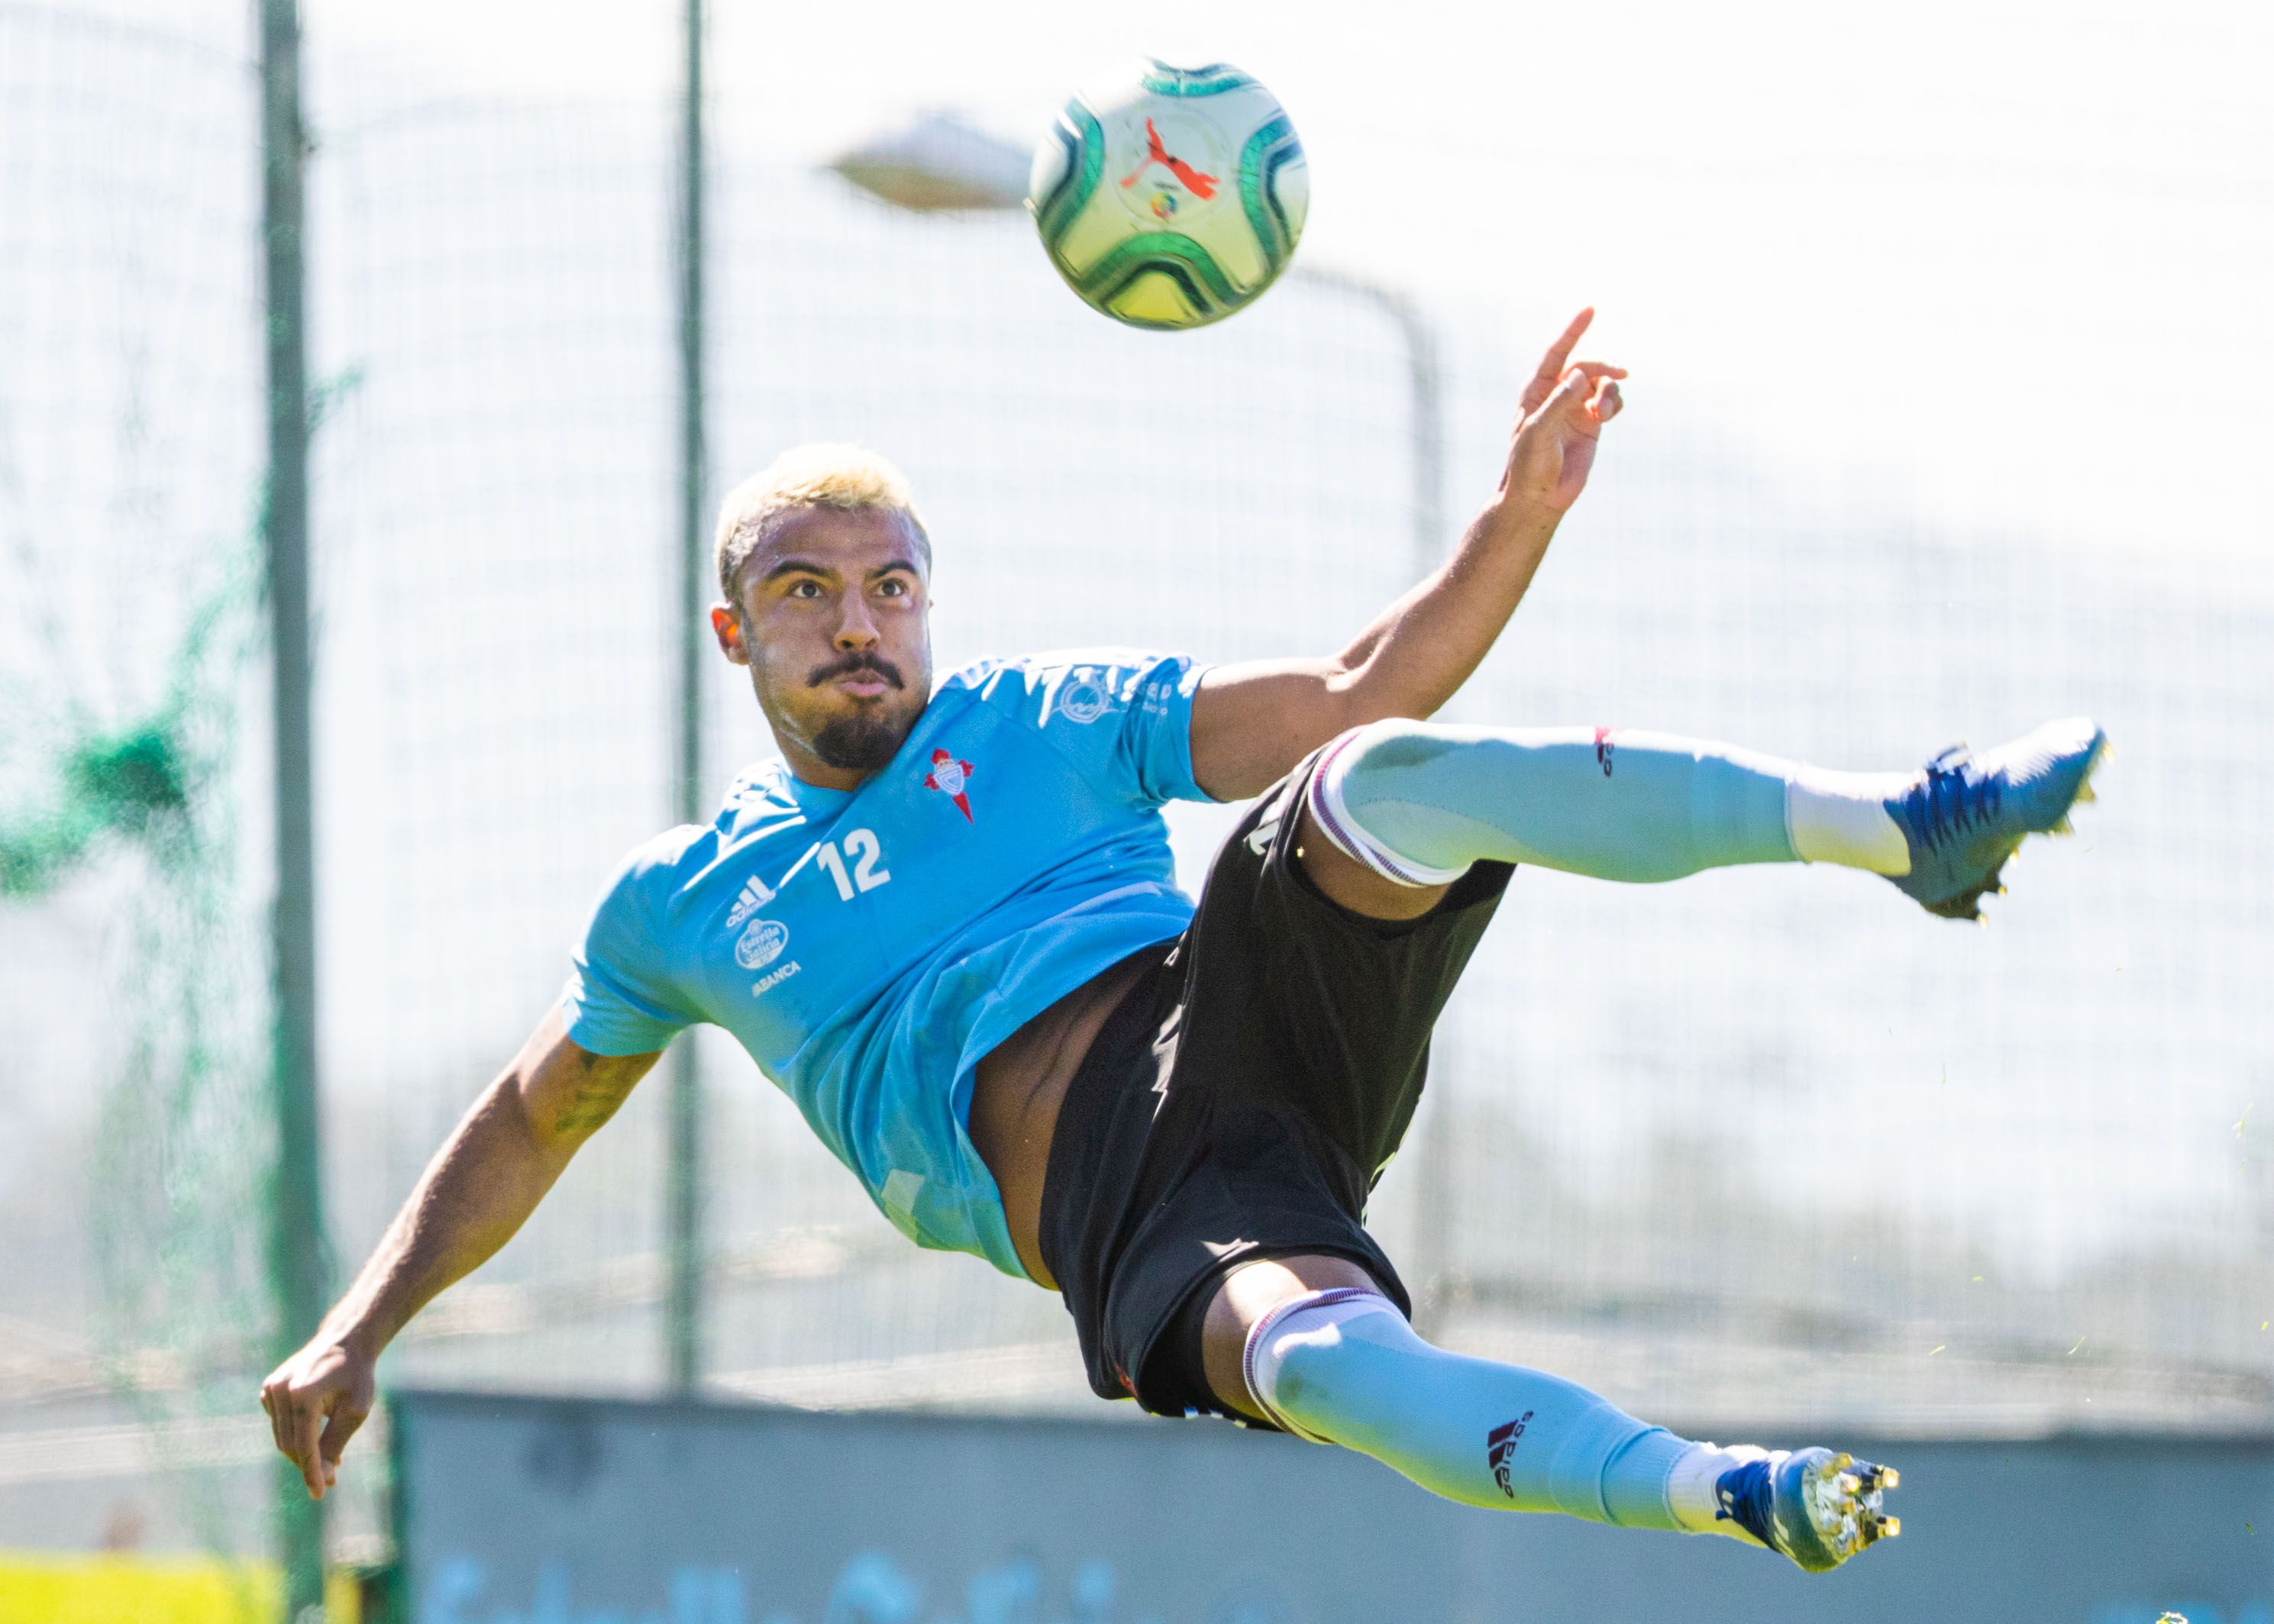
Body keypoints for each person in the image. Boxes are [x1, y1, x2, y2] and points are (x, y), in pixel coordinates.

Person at [263, 310, 2104, 1571]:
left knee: (1379, 773)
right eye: (808, 593)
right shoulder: (676, 902)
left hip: (1222, 1004)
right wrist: (358, 1327)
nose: (861, 625)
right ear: (734, 631)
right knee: (1314, 1364)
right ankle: (1731, 1491)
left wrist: (1516, 512)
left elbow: (1356, 680)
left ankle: (1901, 827)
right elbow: (537, 1113)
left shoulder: (1046, 713)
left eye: (891, 584)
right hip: (1135, 1208)